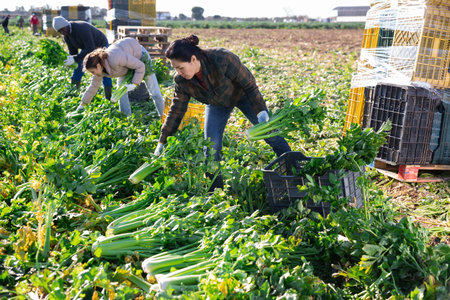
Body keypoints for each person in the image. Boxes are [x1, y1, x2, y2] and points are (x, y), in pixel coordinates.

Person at [154, 34, 291, 189]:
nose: (179, 72)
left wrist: (260, 111)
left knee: (272, 134)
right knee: (211, 148)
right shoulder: (181, 81)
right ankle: (215, 190)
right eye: (175, 69)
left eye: (180, 67)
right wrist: (162, 140)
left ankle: (293, 169)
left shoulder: (223, 59)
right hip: (216, 104)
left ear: (193, 59)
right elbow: (176, 110)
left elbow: (249, 85)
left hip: (243, 96)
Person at [77, 37, 164, 116]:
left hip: (140, 57)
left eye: (92, 71)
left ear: (98, 65)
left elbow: (140, 66)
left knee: (154, 92)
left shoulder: (115, 58)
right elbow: (93, 86)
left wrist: (134, 84)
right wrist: (83, 104)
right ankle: (126, 117)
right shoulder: (99, 69)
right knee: (121, 93)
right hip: (124, 67)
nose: (93, 74)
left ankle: (164, 117)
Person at [52, 16, 113, 98]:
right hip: (87, 47)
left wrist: (75, 58)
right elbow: (73, 52)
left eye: (63, 29)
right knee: (78, 67)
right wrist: (71, 60)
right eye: (60, 31)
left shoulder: (81, 28)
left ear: (66, 24)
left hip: (101, 44)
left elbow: (90, 48)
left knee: (104, 68)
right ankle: (74, 94)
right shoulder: (66, 36)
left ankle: (108, 97)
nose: (62, 32)